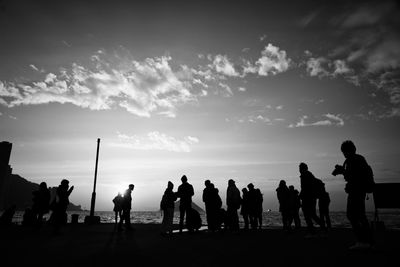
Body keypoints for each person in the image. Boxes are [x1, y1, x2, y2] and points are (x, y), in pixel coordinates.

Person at [332, 140, 374, 250]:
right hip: (359, 191)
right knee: (360, 215)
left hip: (356, 191)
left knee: (352, 215)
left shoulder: (353, 160)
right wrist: (343, 171)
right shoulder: (359, 159)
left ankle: (362, 241)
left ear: (347, 150)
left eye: (344, 151)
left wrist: (342, 171)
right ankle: (367, 241)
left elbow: (354, 176)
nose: (344, 154)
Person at [299, 163, 321, 237]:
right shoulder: (309, 175)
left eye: (300, 168)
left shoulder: (305, 176)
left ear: (303, 168)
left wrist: (301, 195)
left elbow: (305, 188)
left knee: (308, 215)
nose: (299, 169)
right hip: (311, 198)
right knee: (312, 214)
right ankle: (322, 229)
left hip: (308, 198)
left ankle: (312, 232)